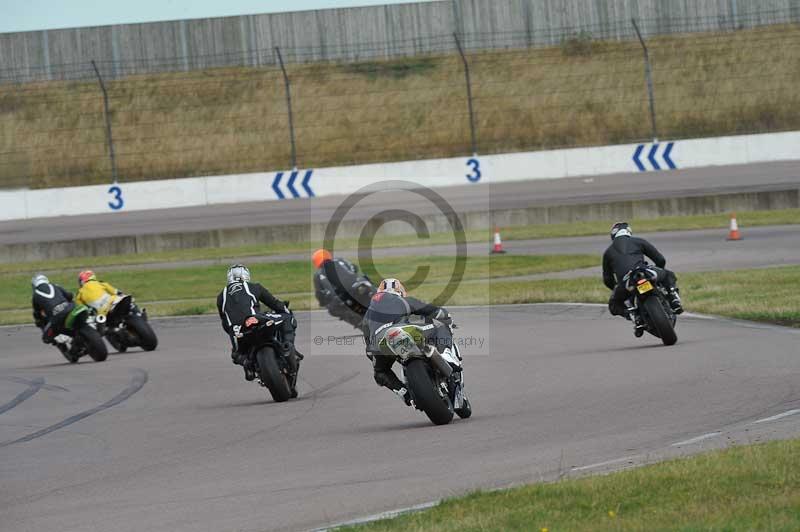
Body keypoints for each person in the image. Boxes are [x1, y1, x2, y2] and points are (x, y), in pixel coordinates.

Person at [362, 277, 455, 405]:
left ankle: (405, 394)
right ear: (400, 291)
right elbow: (436, 312)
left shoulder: (367, 315)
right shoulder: (403, 300)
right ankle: (446, 355)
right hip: (402, 331)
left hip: (380, 344)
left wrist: (376, 357)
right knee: (440, 327)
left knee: (380, 373)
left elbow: (369, 350)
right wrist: (447, 317)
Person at [216, 264, 302, 384]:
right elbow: (275, 304)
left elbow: (225, 323)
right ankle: (287, 346)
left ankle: (247, 364)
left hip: (237, 331)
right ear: (246, 276)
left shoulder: (221, 297)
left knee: (236, 354)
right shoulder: (253, 287)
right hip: (256, 320)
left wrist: (234, 332)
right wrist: (285, 309)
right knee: (288, 317)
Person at [603, 222, 683, 336]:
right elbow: (660, 259)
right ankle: (673, 298)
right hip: (645, 272)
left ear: (613, 235)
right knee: (668, 274)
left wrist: (616, 288)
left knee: (613, 305)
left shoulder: (608, 252)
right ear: (629, 232)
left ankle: (632, 316)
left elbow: (607, 279)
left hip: (627, 283)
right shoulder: (639, 241)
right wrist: (659, 271)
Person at [312, 249, 374, 329]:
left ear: (316, 262)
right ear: (328, 255)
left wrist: (322, 302)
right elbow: (354, 268)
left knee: (332, 309)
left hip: (343, 296)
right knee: (368, 284)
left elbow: (319, 293)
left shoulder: (318, 274)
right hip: (359, 285)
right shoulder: (340, 261)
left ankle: (360, 322)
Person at [31, 274, 76, 347]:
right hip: (70, 308)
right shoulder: (55, 286)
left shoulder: (35, 296)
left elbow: (37, 314)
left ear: (34, 285)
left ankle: (64, 339)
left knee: (46, 338)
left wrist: (39, 322)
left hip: (56, 317)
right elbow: (69, 296)